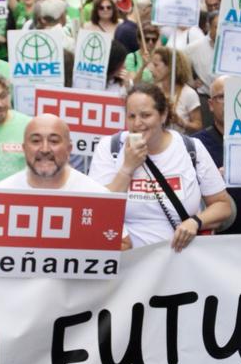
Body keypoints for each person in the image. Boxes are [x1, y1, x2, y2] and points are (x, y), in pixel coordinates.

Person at [93, 81, 233, 249]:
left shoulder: (191, 148)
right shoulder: (111, 148)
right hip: (126, 261)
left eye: (145, 115)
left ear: (163, 115)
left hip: (177, 261)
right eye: (131, 116)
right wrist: (127, 169)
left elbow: (223, 206)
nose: (137, 123)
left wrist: (195, 222)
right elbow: (98, 210)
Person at [191, 76, 241, 233]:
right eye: (222, 97)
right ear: (210, 105)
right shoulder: (195, 145)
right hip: (214, 237)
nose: (229, 102)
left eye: (235, 95)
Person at [0, 114, 110, 192]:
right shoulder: (1, 193)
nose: (45, 149)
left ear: (69, 149)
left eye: (54, 141)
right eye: (36, 141)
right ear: (24, 148)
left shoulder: (95, 196)